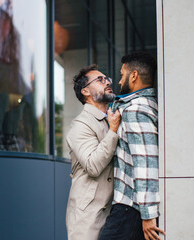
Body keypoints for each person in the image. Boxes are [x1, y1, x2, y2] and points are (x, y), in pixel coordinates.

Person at [98, 52, 165, 240]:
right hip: (133, 208)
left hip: (130, 207)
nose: (119, 82)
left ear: (133, 75)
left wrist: (148, 214)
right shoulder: (148, 105)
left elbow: (146, 162)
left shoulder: (136, 109)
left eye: (122, 74)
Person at [66, 64, 121, 240]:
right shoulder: (80, 125)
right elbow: (93, 166)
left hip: (113, 214)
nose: (107, 82)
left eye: (107, 79)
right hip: (87, 217)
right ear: (85, 91)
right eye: (100, 80)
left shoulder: (111, 118)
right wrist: (113, 131)